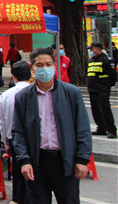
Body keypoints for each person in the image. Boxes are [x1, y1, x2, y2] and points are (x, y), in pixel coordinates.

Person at [12, 47, 92, 204]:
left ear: (55, 65)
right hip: (37, 162)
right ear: (32, 68)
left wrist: (82, 159)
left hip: (65, 161)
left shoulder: (71, 93)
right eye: (40, 65)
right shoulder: (23, 97)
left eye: (48, 64)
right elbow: (18, 131)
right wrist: (24, 160)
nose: (44, 68)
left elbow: (82, 129)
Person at [0, 61, 32, 204]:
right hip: (33, 140)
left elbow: (3, 122)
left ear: (13, 77)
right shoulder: (35, 92)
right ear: (30, 75)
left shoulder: (6, 95)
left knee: (18, 173)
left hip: (14, 139)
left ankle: (17, 199)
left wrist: (6, 143)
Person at [86, 42, 117, 139]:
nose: (91, 51)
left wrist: (106, 86)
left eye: (92, 49)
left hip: (102, 88)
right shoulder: (91, 60)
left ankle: (111, 130)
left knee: (104, 109)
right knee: (95, 110)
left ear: (98, 49)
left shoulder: (106, 60)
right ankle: (101, 128)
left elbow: (113, 75)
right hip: (92, 88)